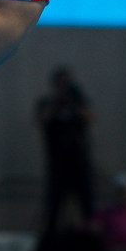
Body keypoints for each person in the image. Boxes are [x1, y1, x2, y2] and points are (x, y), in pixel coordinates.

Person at [35, 67, 95, 232]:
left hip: (80, 163)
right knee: (54, 207)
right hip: (58, 164)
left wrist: (74, 100)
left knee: (87, 205)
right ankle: (50, 240)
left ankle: (90, 242)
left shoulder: (78, 101)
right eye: (61, 82)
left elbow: (89, 117)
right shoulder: (46, 103)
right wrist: (56, 101)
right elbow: (42, 121)